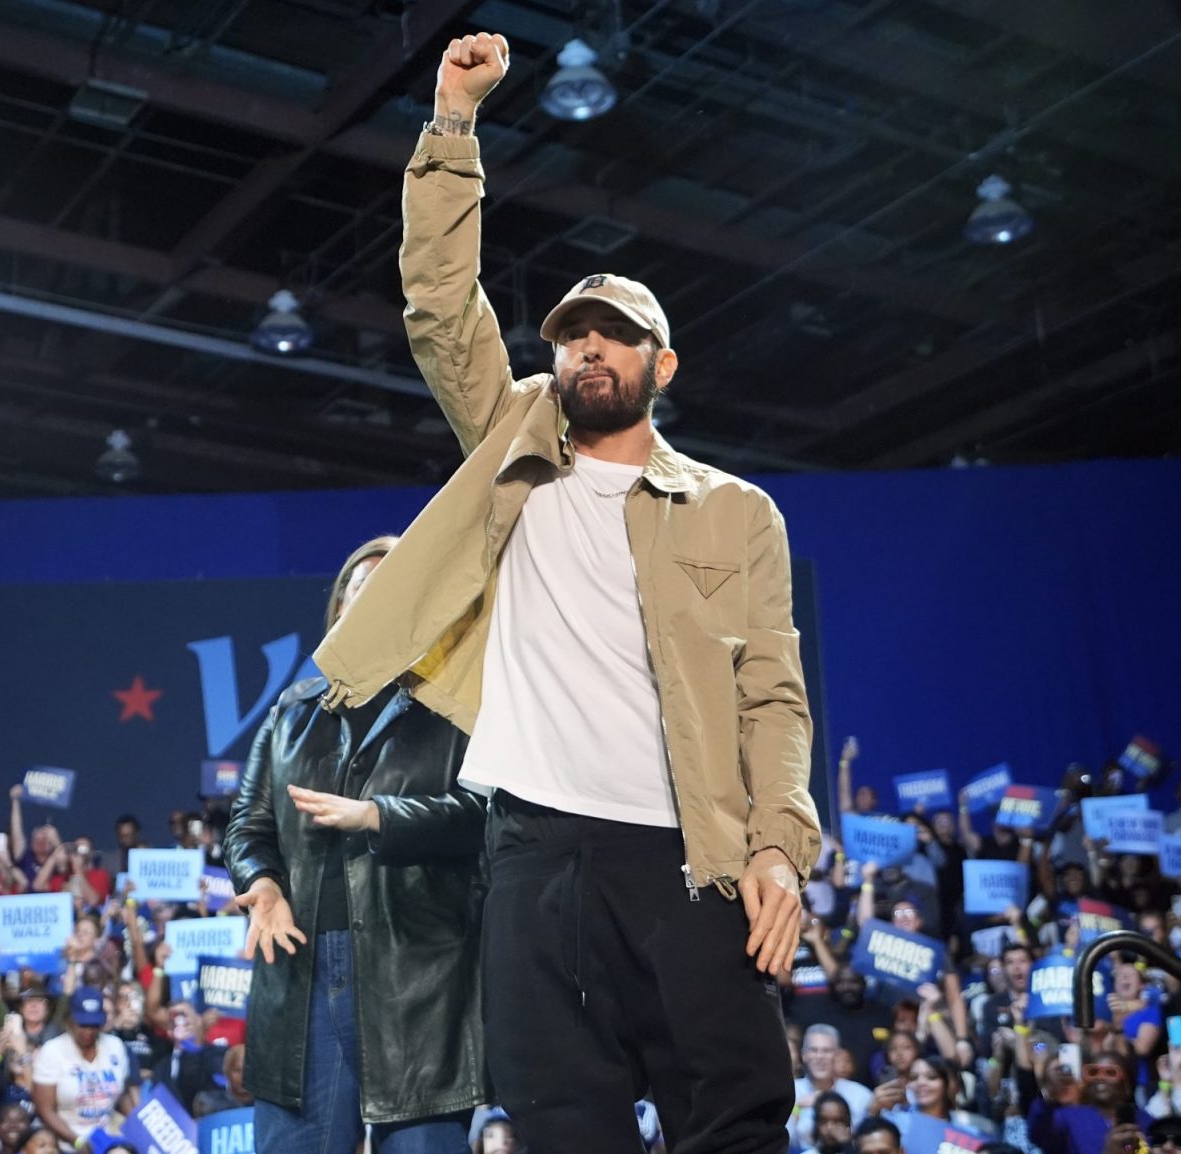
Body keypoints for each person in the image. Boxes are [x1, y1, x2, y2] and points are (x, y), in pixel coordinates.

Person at [308, 31, 815, 1154]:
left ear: (661, 364)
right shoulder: (508, 440)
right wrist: (451, 123)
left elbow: (772, 698)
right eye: (573, 333)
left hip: (690, 854)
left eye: (617, 335)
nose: (590, 347)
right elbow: (440, 302)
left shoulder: (736, 511)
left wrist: (779, 844)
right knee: (554, 1124)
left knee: (732, 1119)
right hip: (532, 849)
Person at [225, 535, 488, 1153]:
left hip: (416, 981)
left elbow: (485, 814)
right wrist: (262, 886)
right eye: (359, 587)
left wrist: (379, 816)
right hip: (302, 973)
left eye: (391, 587)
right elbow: (248, 823)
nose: (371, 600)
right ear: (338, 608)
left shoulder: (456, 709)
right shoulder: (292, 711)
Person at [30, 987, 131, 1147]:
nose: (89, 1031)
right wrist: (77, 1141)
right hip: (69, 1141)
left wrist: (138, 1128)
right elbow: (45, 1109)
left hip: (110, 1138)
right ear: (69, 1020)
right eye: (82, 1024)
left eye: (94, 1024)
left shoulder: (115, 1046)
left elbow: (123, 1095)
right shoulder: (52, 1051)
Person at [792, 1026, 875, 1149]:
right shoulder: (791, 1091)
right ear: (804, 1055)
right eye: (814, 1050)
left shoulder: (860, 1095)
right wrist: (797, 1108)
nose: (820, 1057)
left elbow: (866, 1145)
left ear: (837, 1055)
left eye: (827, 1051)